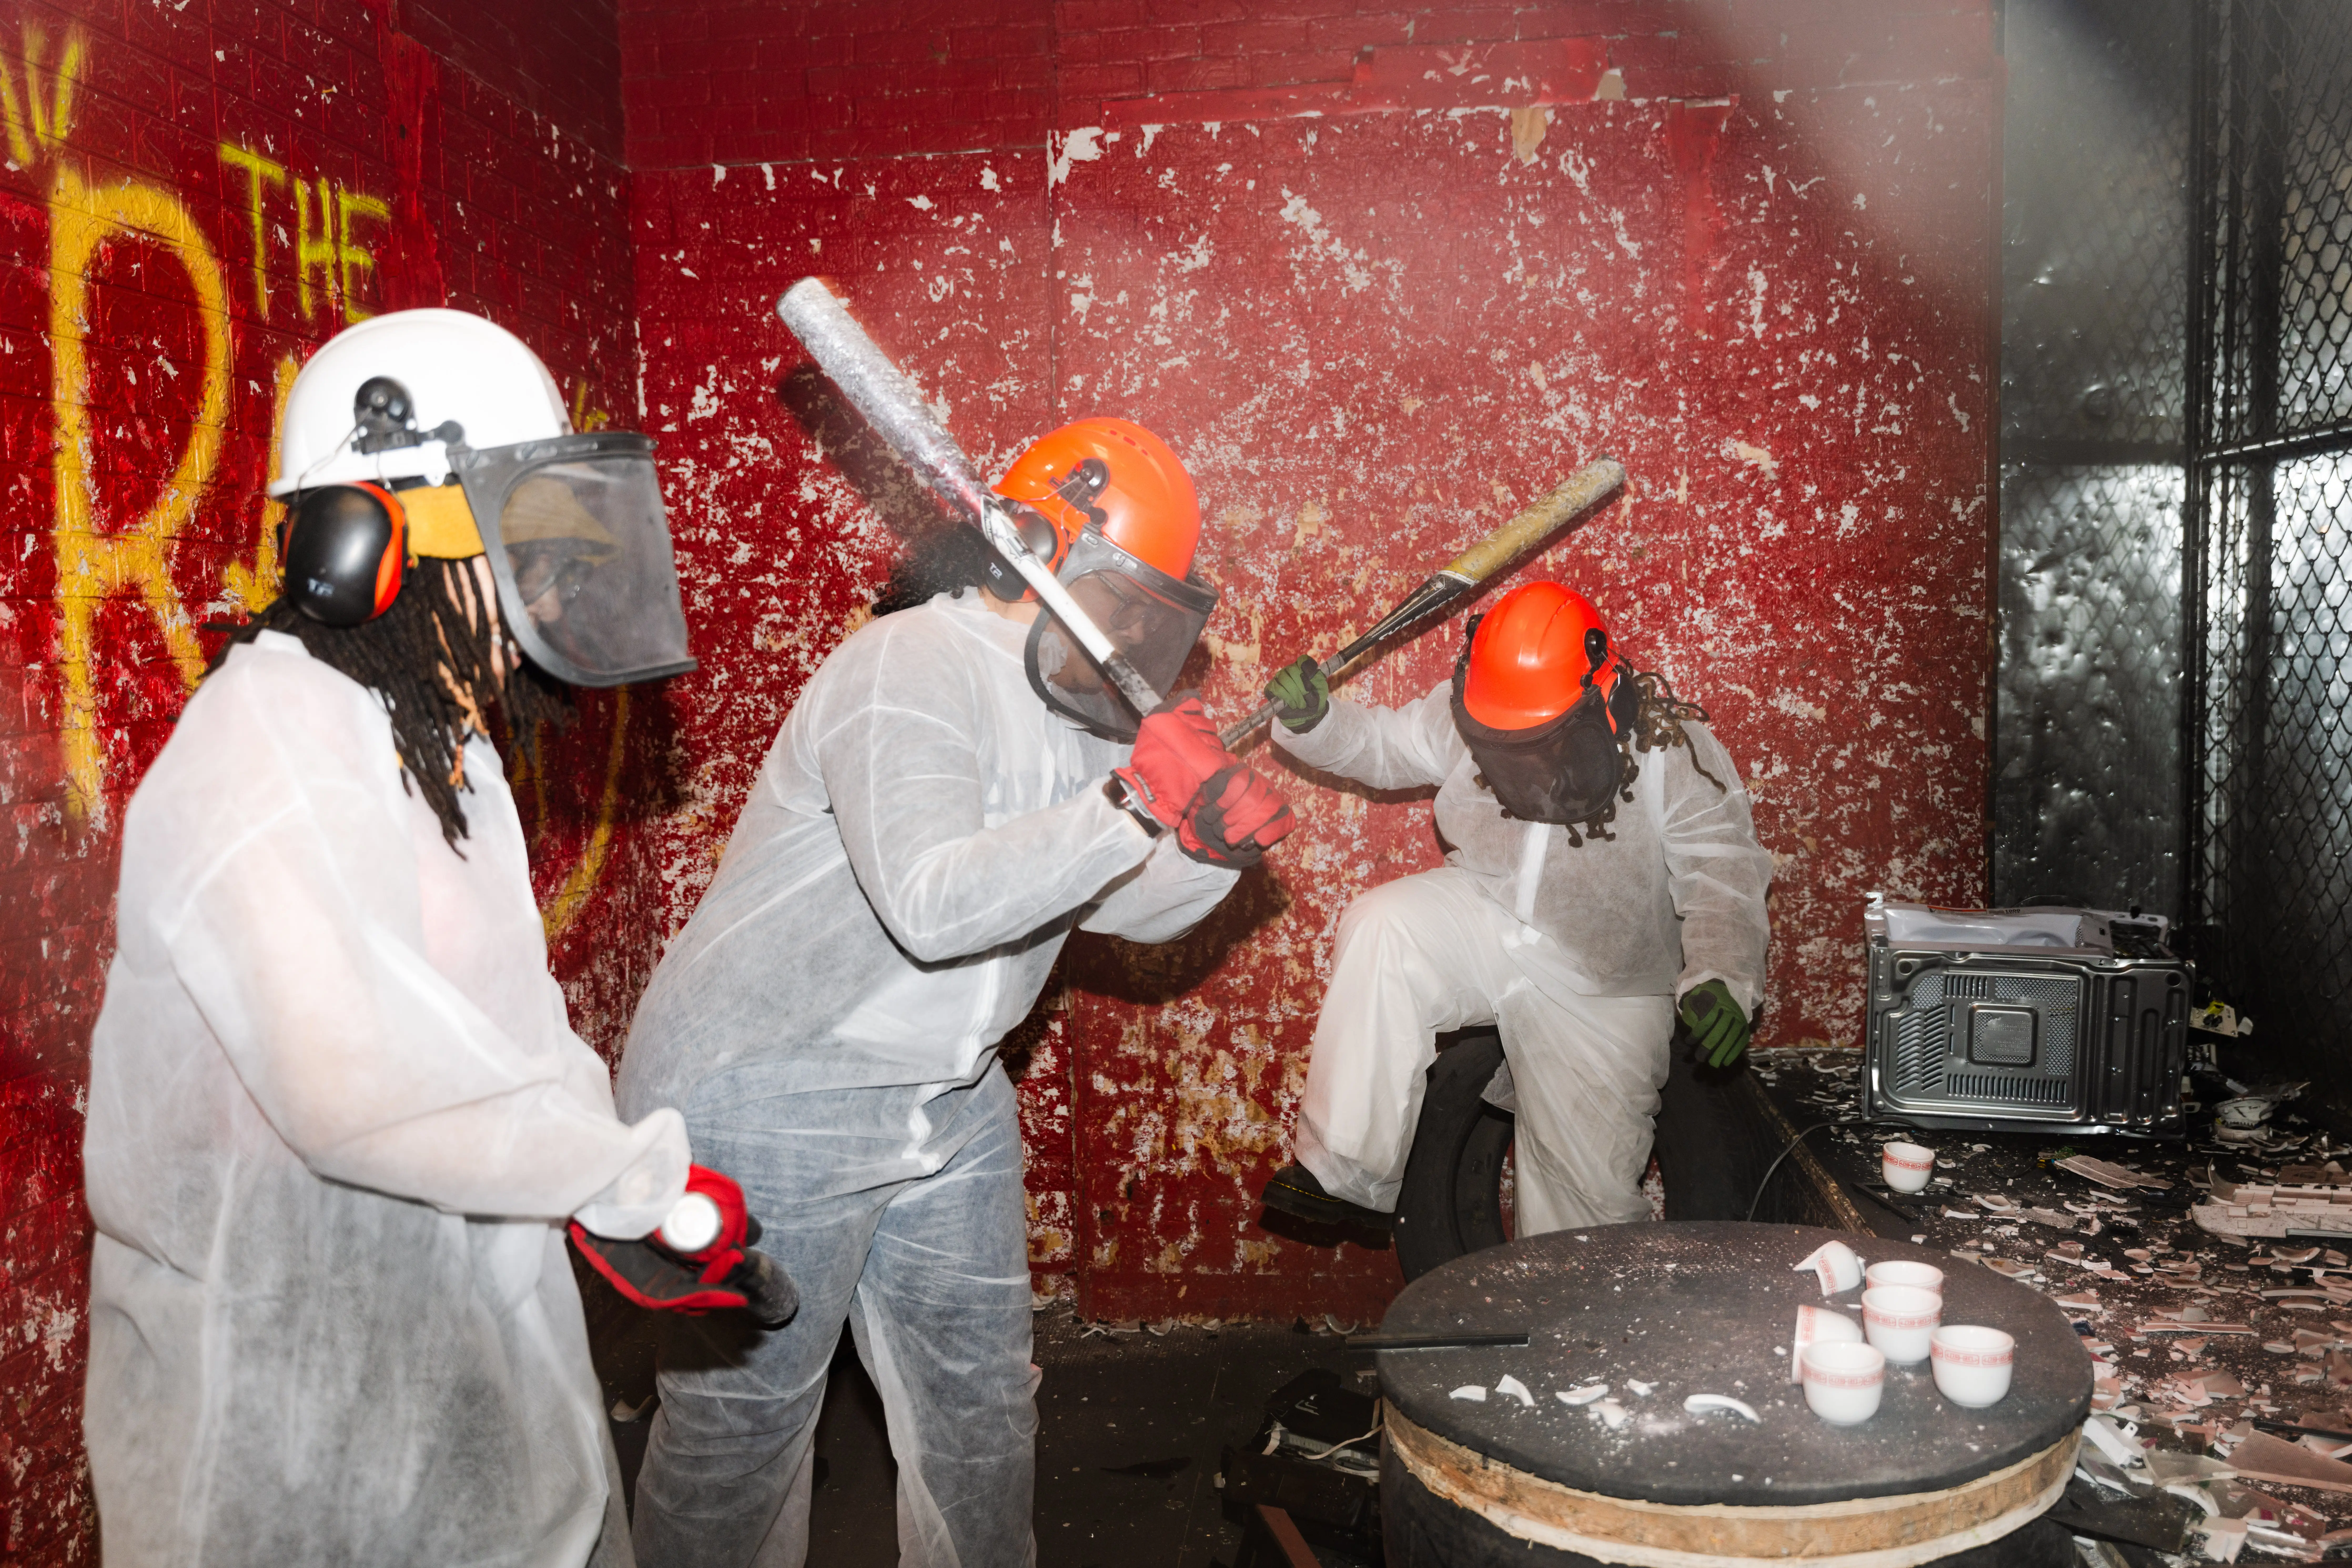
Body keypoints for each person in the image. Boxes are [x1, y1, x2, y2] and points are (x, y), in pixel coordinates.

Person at [81, 308, 777, 1568]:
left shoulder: (437, 742)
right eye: (524, 556)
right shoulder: (267, 752)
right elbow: (350, 1089)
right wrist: (618, 1179)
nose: (548, 596)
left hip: (465, 1343)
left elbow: (509, 1032)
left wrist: (616, 1179)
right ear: (368, 548)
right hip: (290, 1407)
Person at [616, 417, 1294, 1568]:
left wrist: (1201, 851)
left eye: (1153, 608)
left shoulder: (1077, 702)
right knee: (742, 1432)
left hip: (950, 1088)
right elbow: (931, 900)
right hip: (773, 1089)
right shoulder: (907, 664)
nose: (1135, 631)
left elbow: (1108, 902)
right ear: (1035, 549)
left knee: (981, 1414)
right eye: (1123, 595)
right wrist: (1134, 803)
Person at [1255, 580, 1772, 1236]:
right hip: (1486, 913)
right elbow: (1387, 746)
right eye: (1503, 742)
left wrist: (1723, 976)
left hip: (1604, 983)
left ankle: (1575, 1296)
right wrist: (1319, 724)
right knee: (1383, 925)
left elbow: (1721, 869)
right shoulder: (1477, 706)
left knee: (1579, 1219)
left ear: (1604, 699)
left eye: (1544, 739)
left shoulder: (1671, 749)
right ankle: (1346, 1173)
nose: (1524, 760)